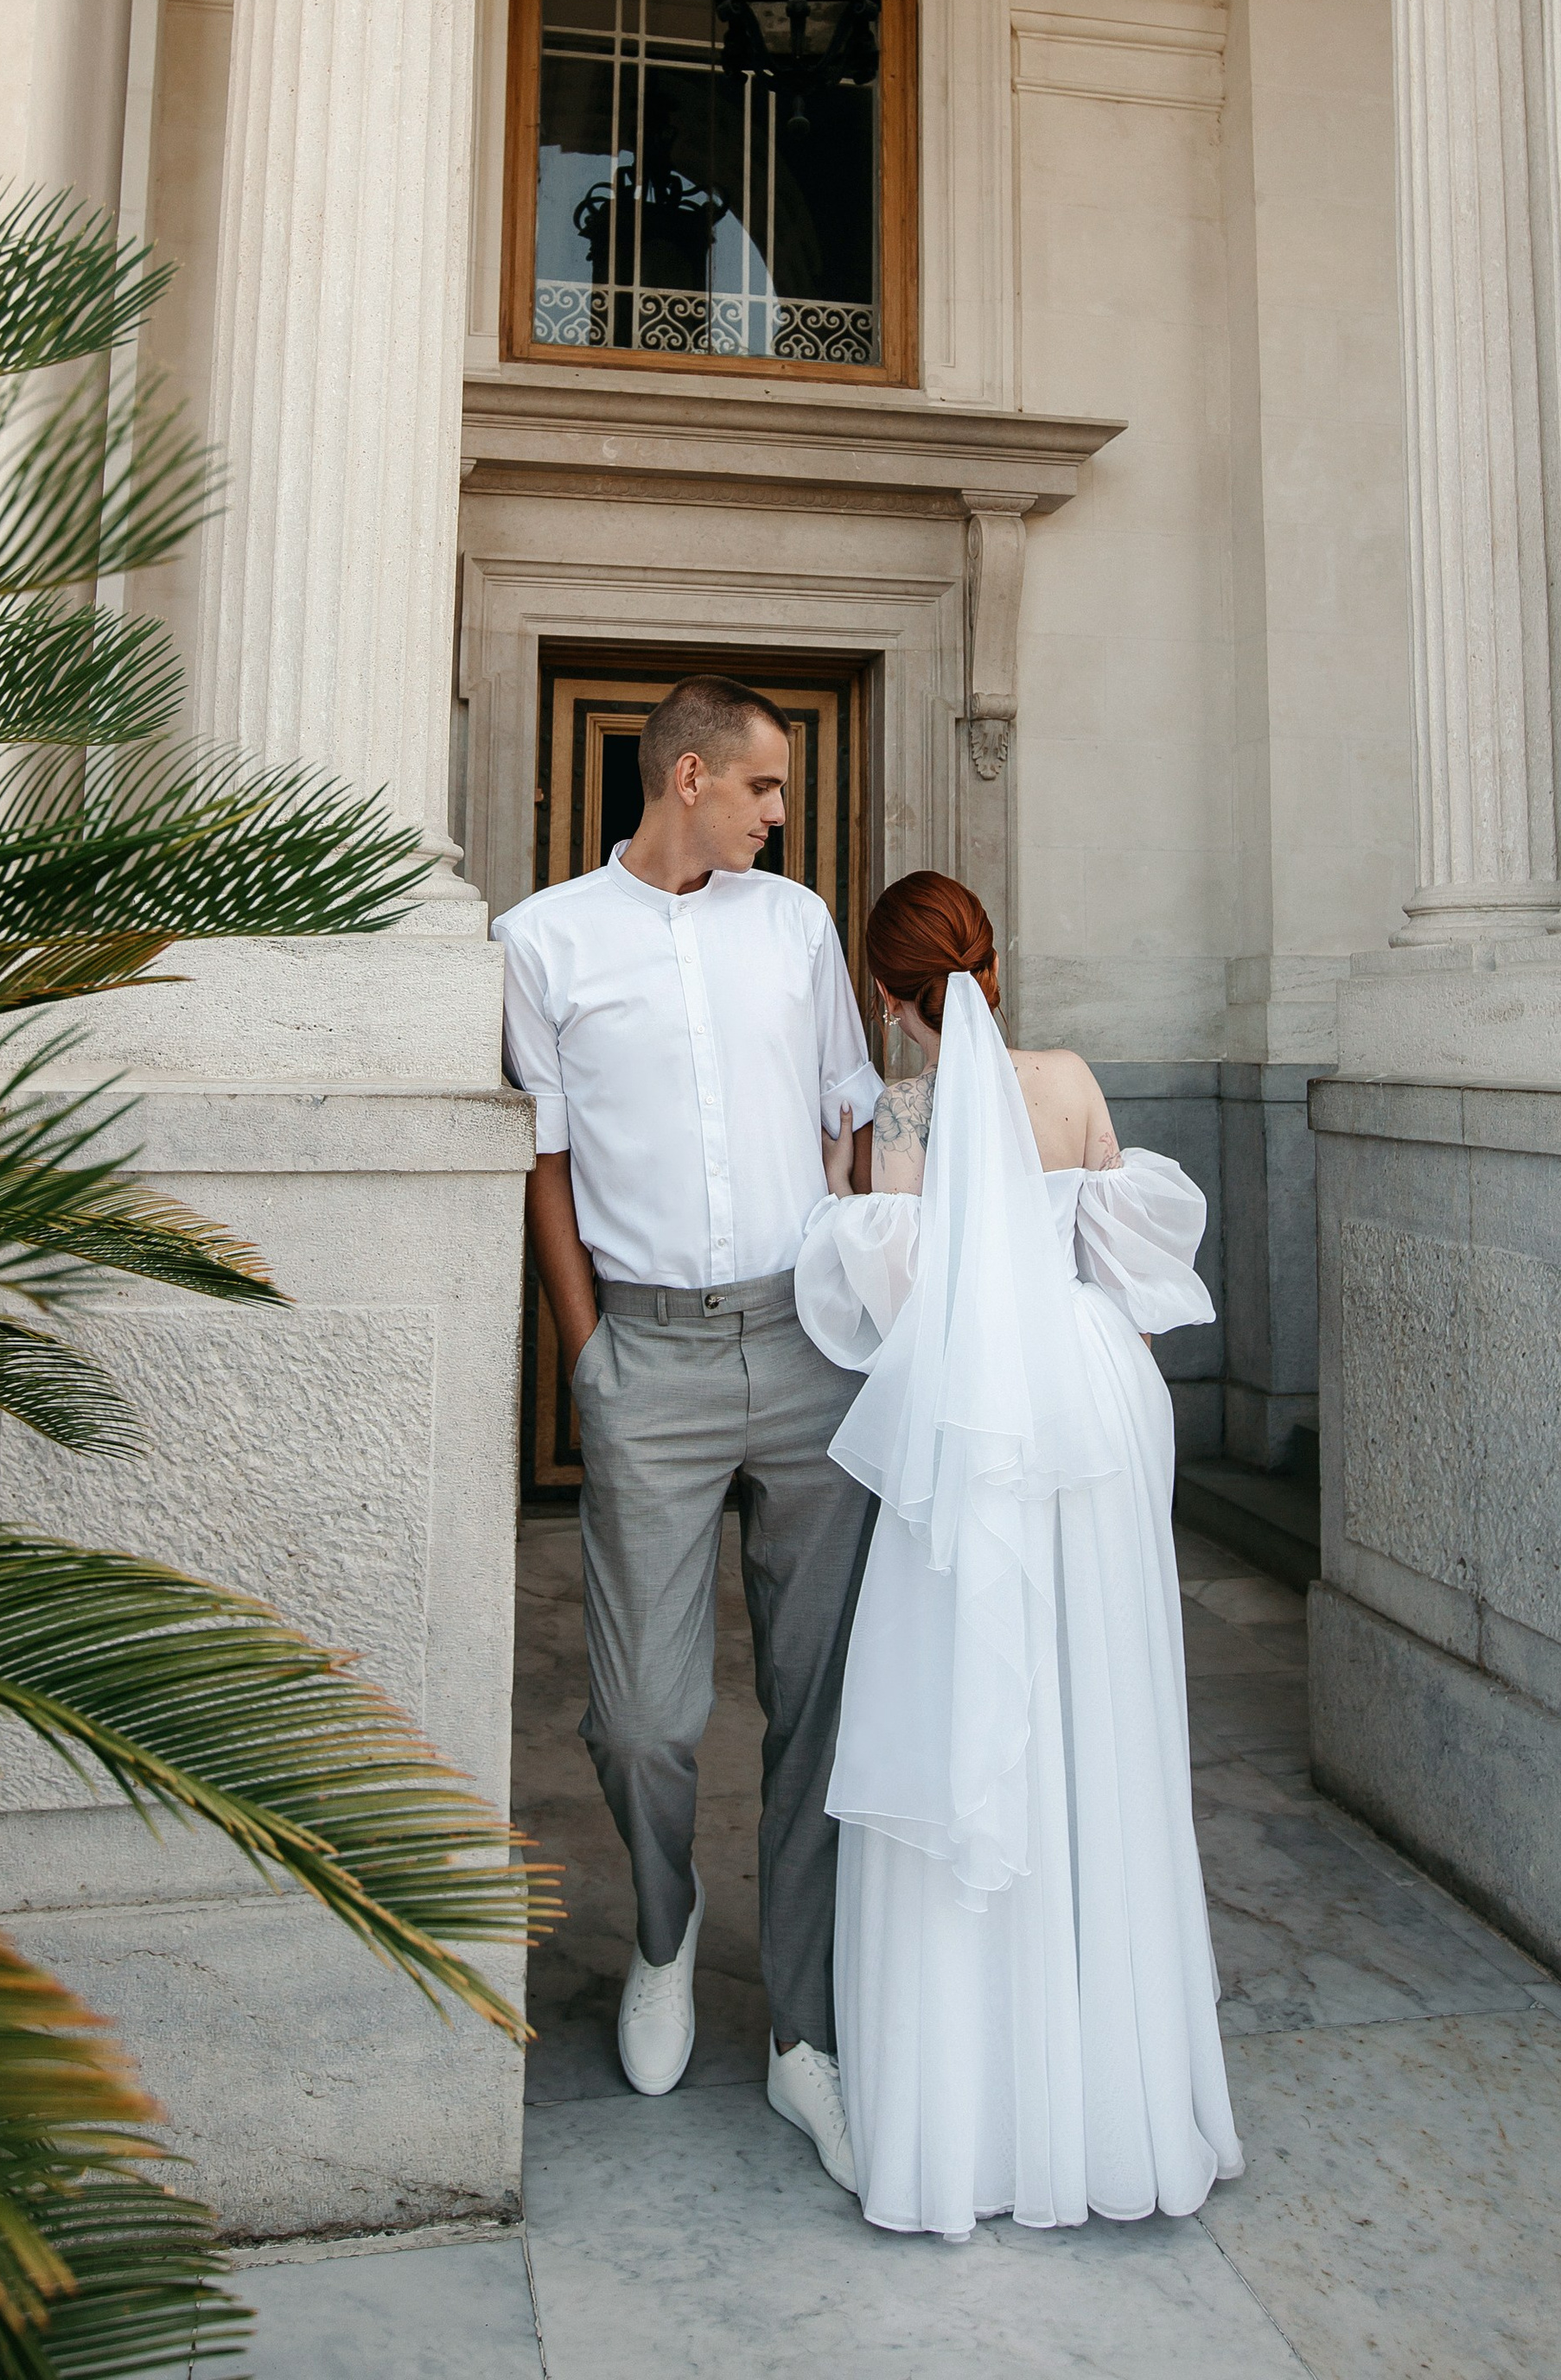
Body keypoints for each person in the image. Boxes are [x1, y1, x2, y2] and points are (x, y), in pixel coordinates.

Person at [794, 870, 1244, 2239]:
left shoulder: (900, 1124)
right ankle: (1113, 2092)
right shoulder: (1068, 1081)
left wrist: (838, 1191)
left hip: (977, 1433)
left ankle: (966, 2116)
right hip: (1098, 1407)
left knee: (968, 1711)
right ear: (993, 966)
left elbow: (887, 1334)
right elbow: (1136, 1277)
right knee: (1099, 1719)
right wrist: (1101, 1394)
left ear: (889, 995)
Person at [493, 673, 882, 2187]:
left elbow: (851, 1109)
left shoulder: (791, 930)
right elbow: (543, 1156)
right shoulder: (542, 942)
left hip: (805, 1344)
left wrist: (855, 1285)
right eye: (766, 789)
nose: (782, 817)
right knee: (644, 1715)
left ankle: (804, 2035)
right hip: (644, 1356)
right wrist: (588, 1355)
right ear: (690, 778)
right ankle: (666, 1933)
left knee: (823, 1698)